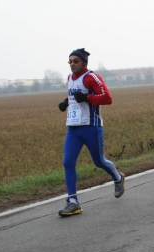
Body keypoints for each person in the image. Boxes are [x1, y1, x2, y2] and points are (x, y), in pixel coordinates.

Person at [57, 48, 125, 217]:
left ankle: (118, 178)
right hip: (73, 128)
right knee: (68, 162)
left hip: (91, 126)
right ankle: (73, 202)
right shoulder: (69, 78)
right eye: (70, 61)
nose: (72, 64)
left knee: (99, 162)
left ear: (84, 63)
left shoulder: (91, 77)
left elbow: (107, 98)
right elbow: (75, 96)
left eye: (75, 61)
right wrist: (66, 103)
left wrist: (87, 98)